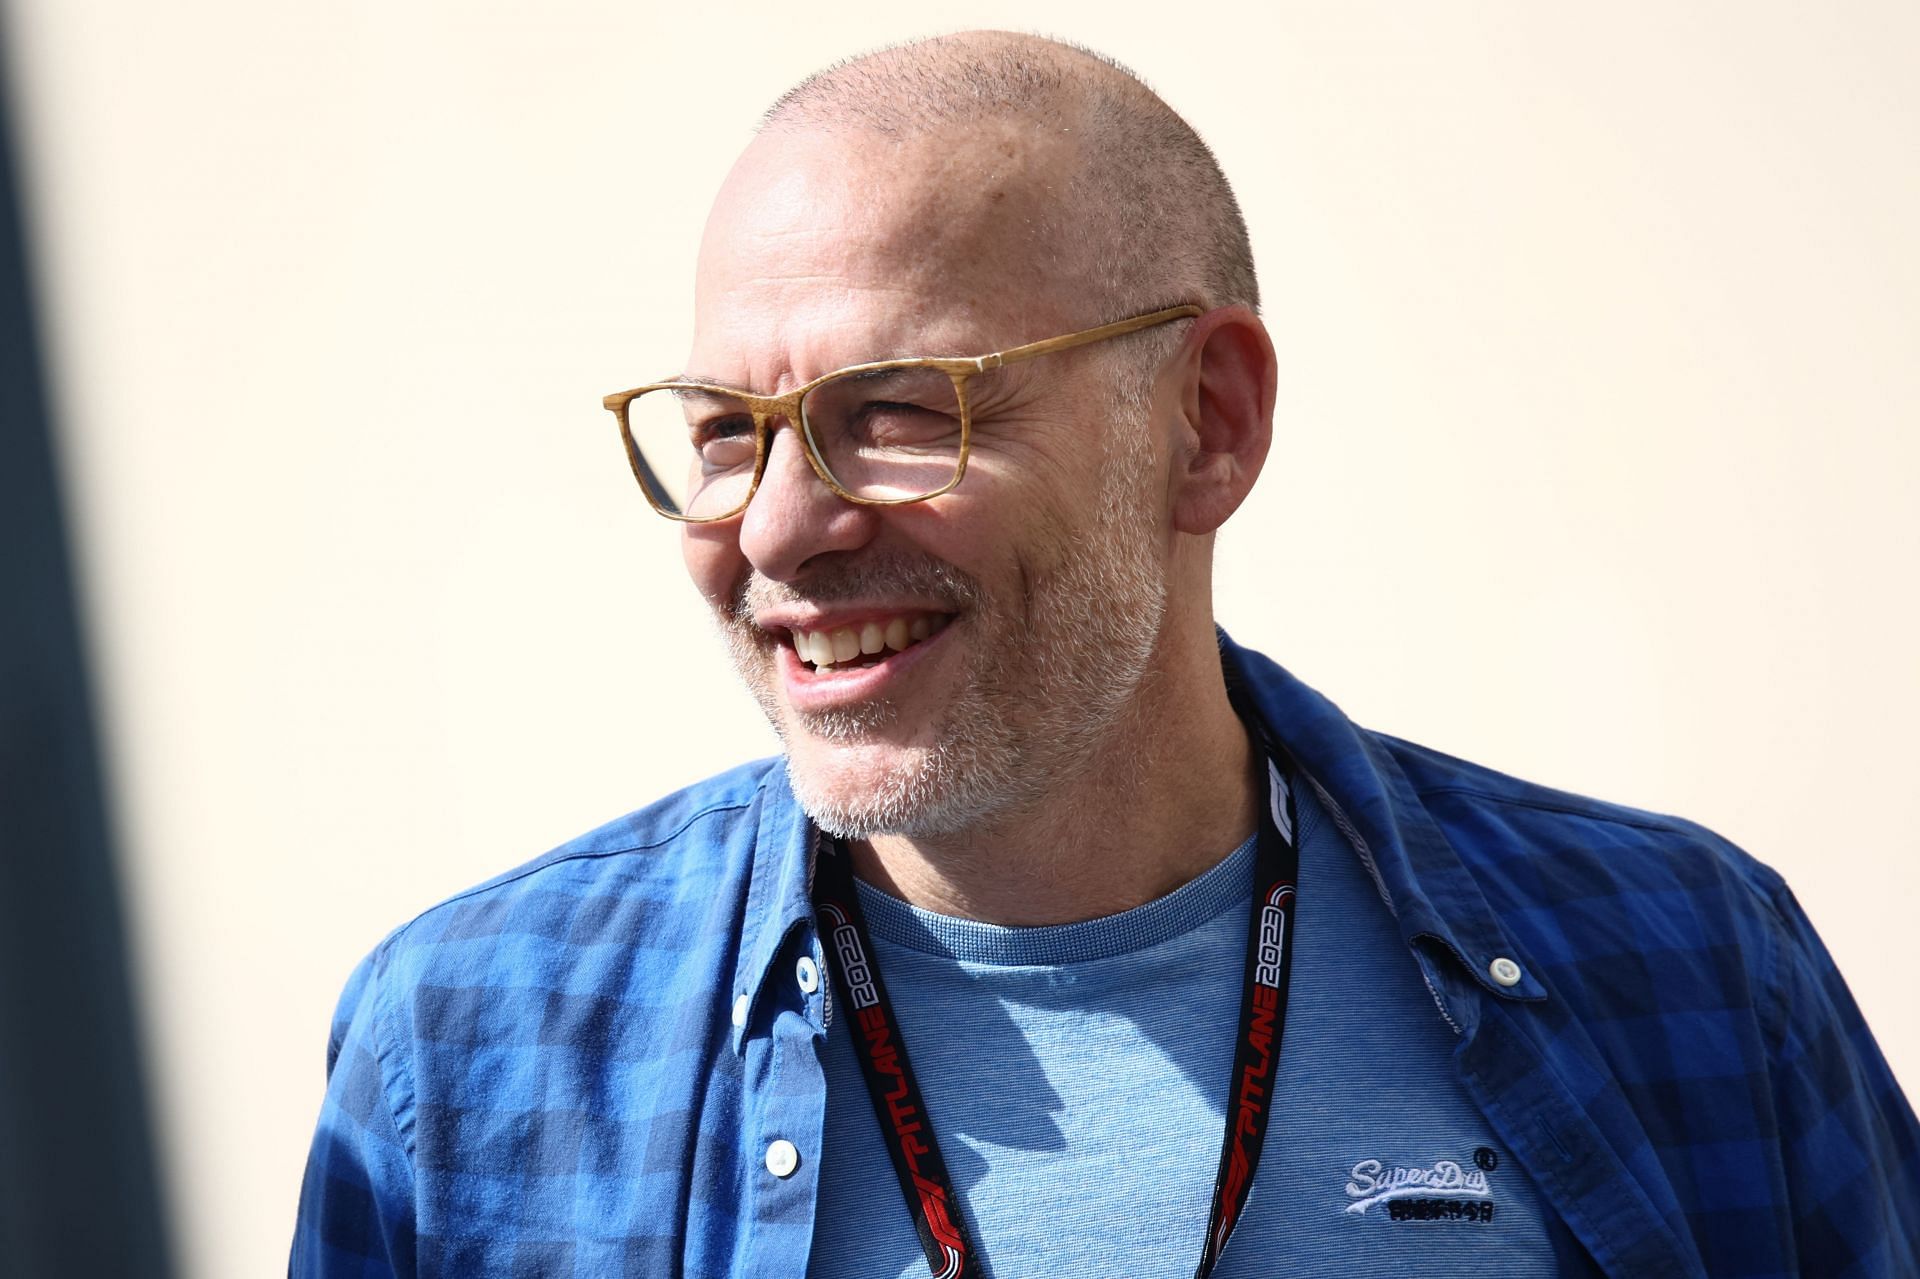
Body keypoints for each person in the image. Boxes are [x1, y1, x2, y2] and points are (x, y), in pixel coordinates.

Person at [291, 31, 1919, 1279]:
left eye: (899, 414)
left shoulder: (1682, 964)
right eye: (728, 433)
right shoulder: (479, 1054)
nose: (782, 529)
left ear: (1206, 425)